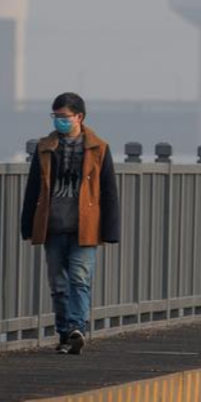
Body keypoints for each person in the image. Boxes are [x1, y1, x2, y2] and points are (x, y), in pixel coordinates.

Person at [20, 92, 120, 354]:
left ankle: (77, 328)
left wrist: (110, 230)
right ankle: (65, 333)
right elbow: (33, 189)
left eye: (64, 117)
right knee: (58, 285)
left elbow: (109, 191)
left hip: (85, 226)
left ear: (79, 117)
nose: (59, 121)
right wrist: (27, 225)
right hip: (52, 225)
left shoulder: (99, 148)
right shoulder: (45, 147)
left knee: (79, 279)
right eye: (56, 117)